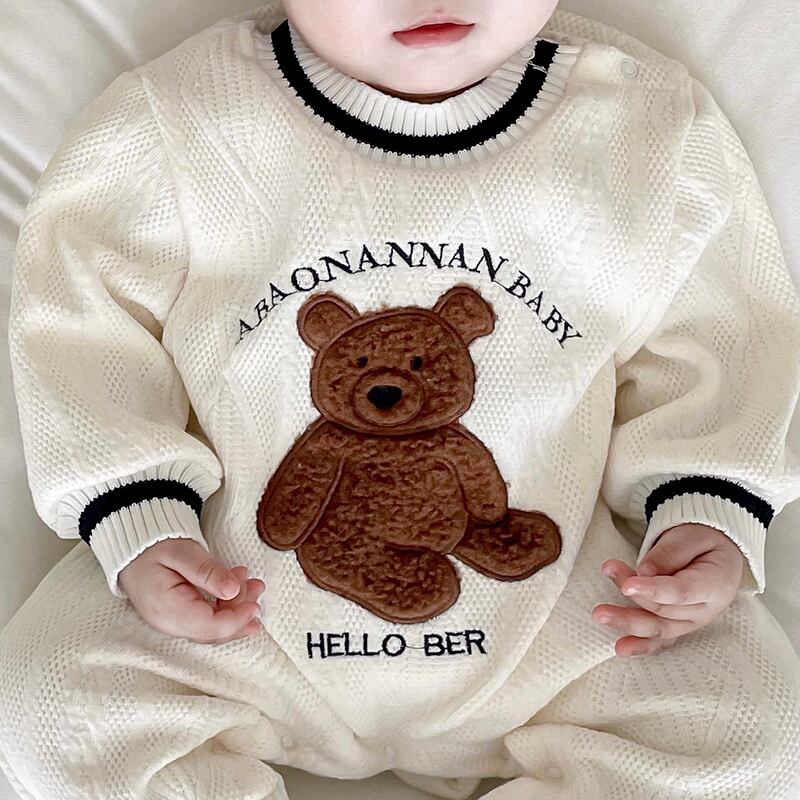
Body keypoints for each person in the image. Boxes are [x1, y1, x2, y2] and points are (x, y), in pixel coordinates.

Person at [2, 0, 800, 797]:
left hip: (568, 627)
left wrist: (703, 510)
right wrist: (139, 519)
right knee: (47, 715)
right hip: (230, 605)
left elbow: (725, 334)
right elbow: (82, 326)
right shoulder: (183, 121)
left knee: (754, 738)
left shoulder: (646, 127)